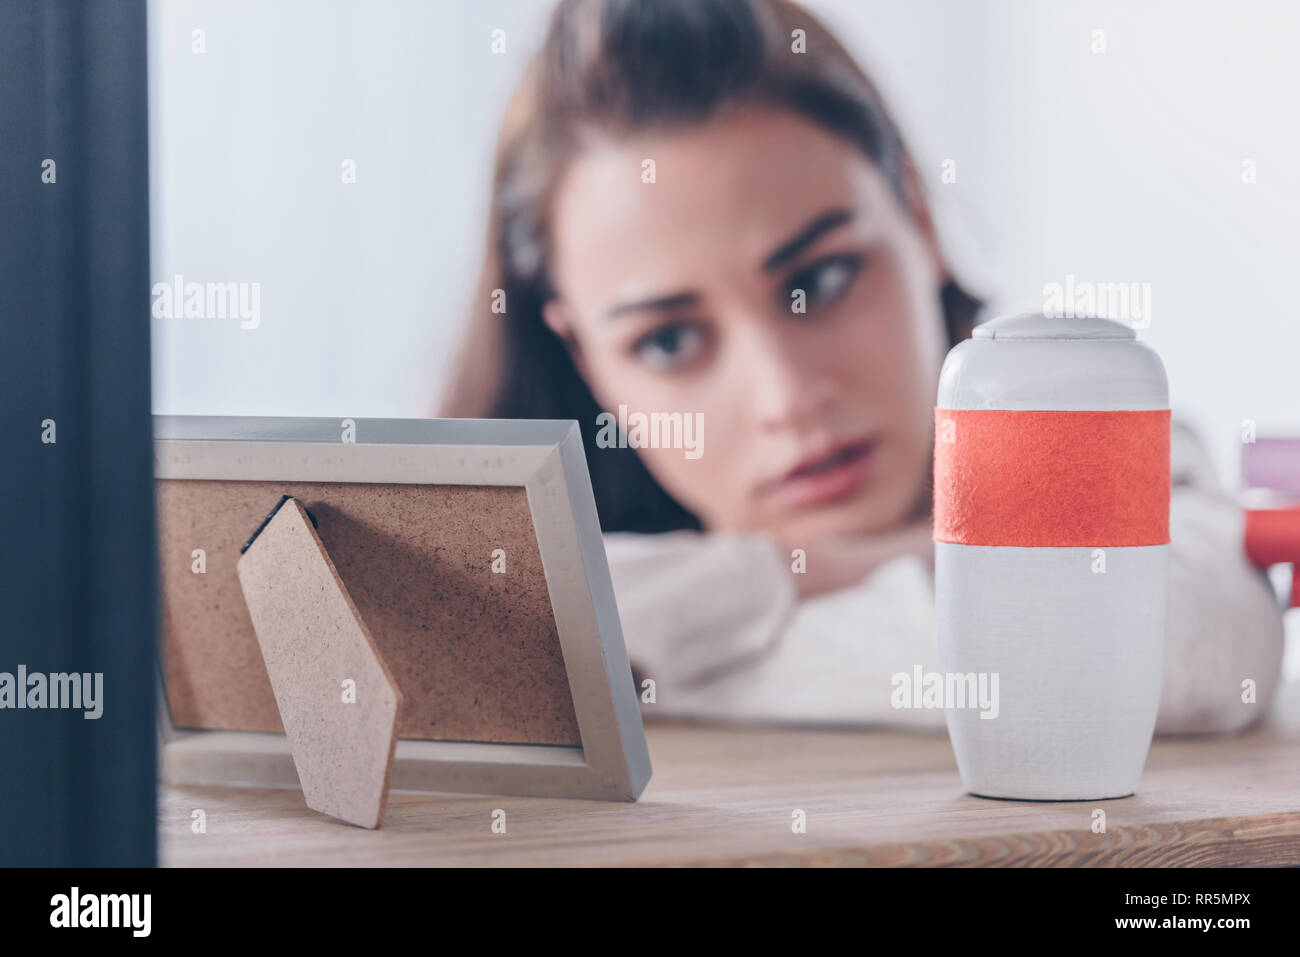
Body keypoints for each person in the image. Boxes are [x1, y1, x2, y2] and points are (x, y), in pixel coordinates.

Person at [442, 0, 1284, 734]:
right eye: (667, 341)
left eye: (820, 280)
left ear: (918, 216)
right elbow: (453, 621)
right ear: (583, 357)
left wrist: (636, 667)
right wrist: (873, 564)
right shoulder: (502, 541)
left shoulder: (1093, 427)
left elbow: (1181, 649)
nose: (787, 397)